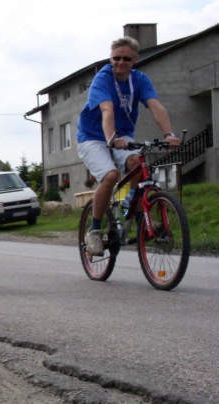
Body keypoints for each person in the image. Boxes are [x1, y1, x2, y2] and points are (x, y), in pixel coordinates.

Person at [76, 36, 181, 256]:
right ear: (110, 58)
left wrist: (169, 134)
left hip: (122, 136)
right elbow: (107, 111)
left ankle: (129, 211)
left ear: (135, 59)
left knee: (136, 163)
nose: (120, 62)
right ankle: (94, 230)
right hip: (93, 137)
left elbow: (155, 106)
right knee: (110, 176)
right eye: (116, 58)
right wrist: (112, 138)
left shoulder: (140, 80)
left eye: (126, 58)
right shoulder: (102, 79)